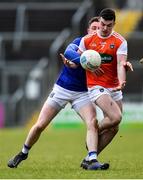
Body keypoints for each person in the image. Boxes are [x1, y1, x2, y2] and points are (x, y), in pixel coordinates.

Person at [7, 17, 109, 170]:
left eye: (98, 28)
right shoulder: (79, 41)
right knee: (40, 125)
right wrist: (74, 63)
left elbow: (111, 65)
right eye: (93, 28)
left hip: (83, 93)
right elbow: (69, 52)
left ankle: (92, 159)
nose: (96, 30)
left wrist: (123, 65)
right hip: (62, 89)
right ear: (88, 30)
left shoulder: (102, 49)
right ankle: (23, 152)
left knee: (92, 122)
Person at [77, 8, 132, 169]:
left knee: (114, 128)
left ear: (114, 24)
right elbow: (78, 57)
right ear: (99, 22)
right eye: (102, 24)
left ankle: (90, 158)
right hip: (96, 86)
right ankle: (93, 130)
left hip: (114, 87)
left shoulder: (120, 41)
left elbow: (121, 64)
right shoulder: (87, 40)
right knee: (116, 117)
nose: (104, 28)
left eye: (109, 25)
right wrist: (71, 63)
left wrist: (122, 81)